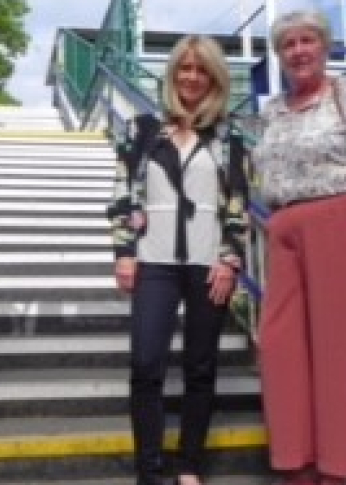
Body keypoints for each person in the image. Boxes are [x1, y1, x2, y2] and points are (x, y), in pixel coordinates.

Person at [253, 10, 346, 485]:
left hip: (342, 222)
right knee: (280, 350)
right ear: (279, 56)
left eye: (307, 40)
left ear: (324, 46)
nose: (298, 51)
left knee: (344, 357)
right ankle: (298, 465)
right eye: (287, 44)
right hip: (285, 232)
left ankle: (341, 471)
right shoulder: (272, 110)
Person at [107, 35, 249, 485]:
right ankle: (149, 470)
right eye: (184, 68)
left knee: (200, 368)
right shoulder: (143, 130)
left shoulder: (228, 138)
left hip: (209, 263)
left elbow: (238, 204)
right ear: (172, 75)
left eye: (201, 69)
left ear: (214, 78)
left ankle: (189, 465)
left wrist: (230, 260)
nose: (192, 77)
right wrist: (124, 252)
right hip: (154, 262)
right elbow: (122, 194)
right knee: (146, 364)